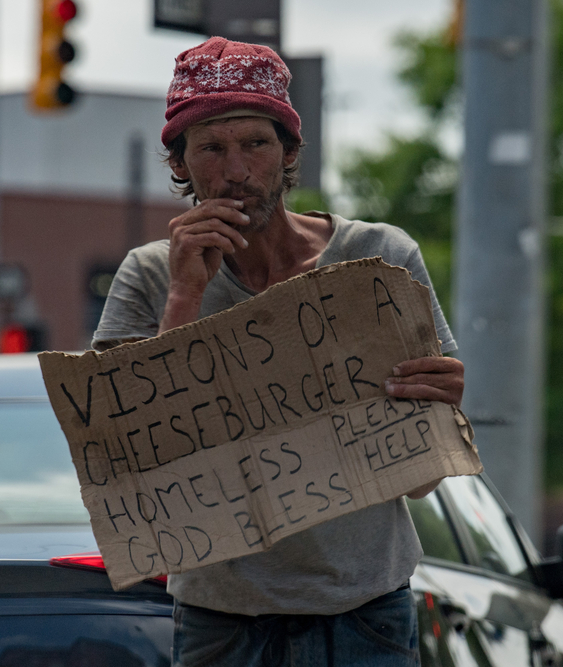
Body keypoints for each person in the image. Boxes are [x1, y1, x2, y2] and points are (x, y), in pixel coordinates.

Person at [92, 36, 464, 667]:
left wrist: (442, 404)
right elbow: (126, 457)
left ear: (288, 152)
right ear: (180, 164)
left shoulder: (378, 258)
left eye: (256, 144)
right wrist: (185, 295)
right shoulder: (150, 276)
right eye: (211, 148)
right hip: (222, 616)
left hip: (364, 608)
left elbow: (425, 478)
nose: (235, 170)